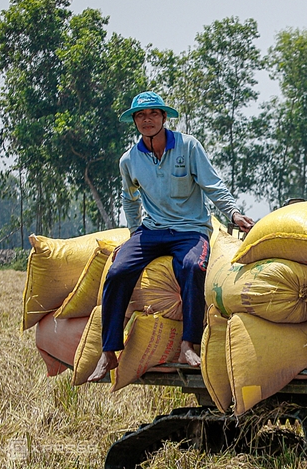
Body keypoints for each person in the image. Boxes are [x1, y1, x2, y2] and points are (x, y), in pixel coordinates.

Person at [88, 91, 254, 382]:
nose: (147, 120)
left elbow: (212, 185)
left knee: (193, 268)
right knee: (117, 272)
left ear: (164, 118)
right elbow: (129, 199)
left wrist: (234, 213)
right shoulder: (129, 160)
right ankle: (109, 351)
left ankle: (188, 345)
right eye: (141, 115)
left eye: (153, 114)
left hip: (191, 230)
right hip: (151, 231)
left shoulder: (188, 147)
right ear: (135, 122)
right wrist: (133, 232)